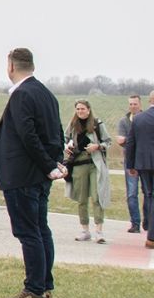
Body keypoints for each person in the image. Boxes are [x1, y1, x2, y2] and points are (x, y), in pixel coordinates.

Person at [0, 47, 66, 298]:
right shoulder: (46, 94)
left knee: (29, 232)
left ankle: (34, 288)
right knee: (41, 229)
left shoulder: (22, 95)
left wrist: (49, 165)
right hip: (39, 175)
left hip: (23, 175)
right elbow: (57, 132)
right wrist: (56, 162)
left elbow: (28, 135)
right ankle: (44, 284)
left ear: (11, 66)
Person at [62, 100, 111, 244]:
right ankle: (85, 230)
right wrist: (66, 146)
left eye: (83, 109)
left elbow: (108, 141)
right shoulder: (72, 125)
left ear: (89, 110)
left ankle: (99, 231)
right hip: (78, 165)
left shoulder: (97, 124)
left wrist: (97, 146)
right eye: (78, 109)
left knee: (97, 197)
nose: (80, 111)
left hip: (94, 165)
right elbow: (64, 139)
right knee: (81, 199)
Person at [125, 91, 154, 250]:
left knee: (149, 194)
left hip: (143, 163)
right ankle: (151, 235)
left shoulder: (139, 118)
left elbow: (131, 143)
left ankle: (149, 225)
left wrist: (131, 165)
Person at [116, 94, 143, 234]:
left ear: (140, 104)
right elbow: (120, 140)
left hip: (145, 161)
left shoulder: (146, 119)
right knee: (132, 193)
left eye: (135, 104)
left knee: (148, 192)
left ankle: (149, 222)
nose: (133, 106)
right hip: (130, 160)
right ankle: (135, 223)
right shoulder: (124, 121)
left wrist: (129, 140)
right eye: (131, 104)